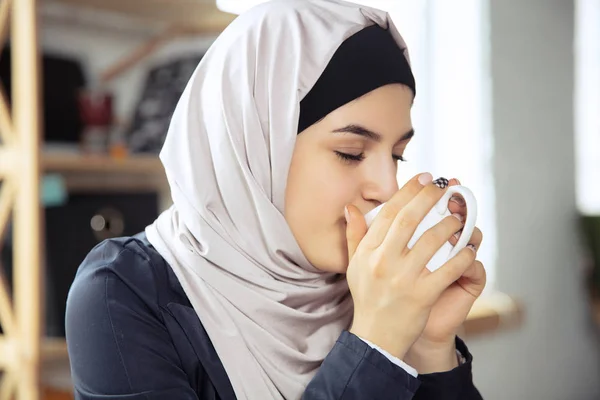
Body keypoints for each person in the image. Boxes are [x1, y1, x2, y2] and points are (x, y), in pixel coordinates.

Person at [65, 0, 486, 399]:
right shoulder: (120, 294)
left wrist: (429, 347)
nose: (387, 188)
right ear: (255, 148)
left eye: (397, 156)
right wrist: (376, 343)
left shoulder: (375, 290)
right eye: (351, 153)